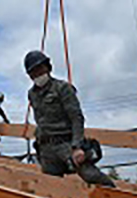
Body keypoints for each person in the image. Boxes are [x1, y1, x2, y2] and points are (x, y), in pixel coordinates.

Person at [24, 50, 114, 187]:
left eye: (40, 69)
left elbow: (76, 118)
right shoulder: (32, 94)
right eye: (33, 72)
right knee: (53, 187)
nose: (37, 74)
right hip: (46, 147)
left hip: (66, 144)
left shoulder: (62, 88)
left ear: (47, 67)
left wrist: (77, 146)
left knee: (90, 175)